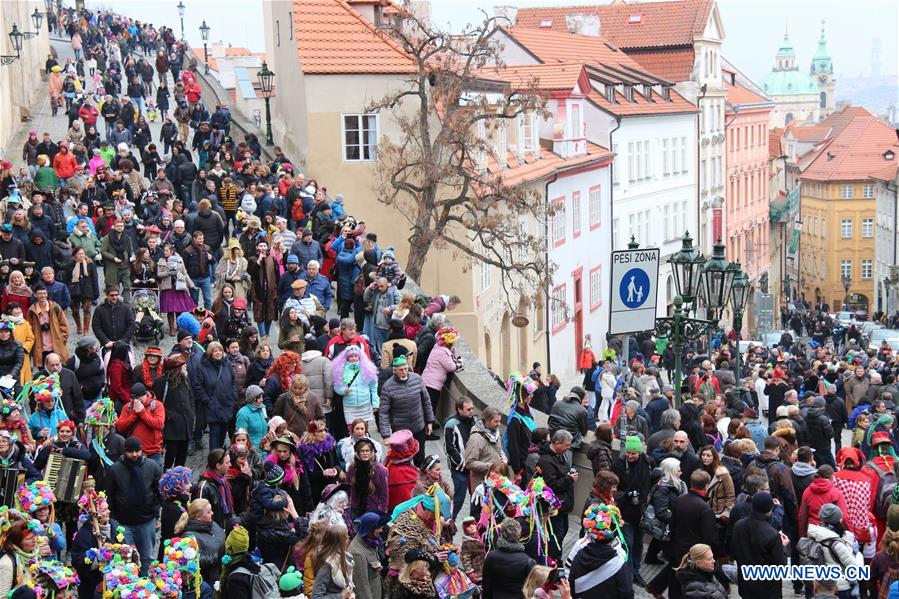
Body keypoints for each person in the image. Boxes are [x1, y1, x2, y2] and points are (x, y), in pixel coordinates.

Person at [104, 436, 163, 576]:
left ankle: (145, 583)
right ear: (125, 452)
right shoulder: (115, 469)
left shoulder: (152, 466)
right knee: (125, 558)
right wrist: (113, 518)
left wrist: (157, 515)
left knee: (147, 557)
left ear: (142, 450)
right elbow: (110, 494)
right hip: (123, 522)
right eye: (131, 452)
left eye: (137, 451)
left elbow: (159, 493)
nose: (135, 455)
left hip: (146, 520)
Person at [729, 492, 789, 599]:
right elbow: (782, 564)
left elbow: (733, 551)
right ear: (770, 509)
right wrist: (783, 545)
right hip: (767, 590)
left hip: (746, 586)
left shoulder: (739, 526)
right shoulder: (772, 535)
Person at [379, 355, 434, 467]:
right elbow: (383, 412)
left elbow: (426, 401)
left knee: (420, 456)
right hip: (400, 430)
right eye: (401, 370)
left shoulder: (417, 379)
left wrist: (429, 421)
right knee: (402, 459)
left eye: (406, 369)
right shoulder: (388, 386)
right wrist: (385, 435)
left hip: (419, 426)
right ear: (395, 371)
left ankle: (419, 479)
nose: (404, 372)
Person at [612, 436, 652, 585]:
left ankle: (635, 571)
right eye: (628, 452)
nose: (630, 456)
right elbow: (613, 488)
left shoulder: (648, 463)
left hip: (640, 512)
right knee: (627, 544)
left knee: (638, 544)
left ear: (640, 452)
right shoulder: (618, 465)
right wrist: (626, 496)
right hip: (625, 511)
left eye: (634, 453)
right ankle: (627, 573)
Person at [570, 504, 633, 599]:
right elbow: (627, 594)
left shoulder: (579, 556)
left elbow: (571, 584)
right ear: (613, 537)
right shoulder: (619, 563)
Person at [537, 429, 577, 562]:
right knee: (556, 536)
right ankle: (554, 562)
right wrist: (569, 479)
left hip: (563, 505)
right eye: (567, 445)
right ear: (558, 444)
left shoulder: (561, 455)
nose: (569, 447)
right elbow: (552, 485)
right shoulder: (546, 460)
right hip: (554, 507)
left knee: (563, 532)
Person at [806, 503, 860, 598]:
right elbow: (853, 567)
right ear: (835, 521)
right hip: (841, 587)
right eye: (840, 518)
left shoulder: (816, 536)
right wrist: (854, 552)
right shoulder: (836, 544)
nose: (842, 519)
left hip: (822, 586)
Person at [192, 342, 236, 450]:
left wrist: (233, 396)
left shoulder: (227, 364)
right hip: (213, 405)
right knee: (215, 433)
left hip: (226, 404)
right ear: (210, 353)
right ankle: (214, 458)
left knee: (223, 432)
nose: (218, 353)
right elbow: (197, 386)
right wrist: (207, 400)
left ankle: (220, 455)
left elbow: (233, 381)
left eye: (220, 350)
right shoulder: (203, 367)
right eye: (215, 351)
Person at [481, 518, 536, 599]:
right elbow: (530, 592)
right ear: (519, 535)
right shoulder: (528, 561)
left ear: (502, 533)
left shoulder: (491, 556)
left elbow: (486, 586)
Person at [176, 497, 226, 585]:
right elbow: (196, 561)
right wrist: (219, 555)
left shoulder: (212, 524)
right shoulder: (189, 536)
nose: (212, 513)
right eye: (208, 512)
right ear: (198, 517)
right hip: (208, 581)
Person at [115, 383, 165, 464]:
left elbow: (159, 424)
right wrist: (134, 415)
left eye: (138, 399)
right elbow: (120, 427)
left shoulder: (157, 405)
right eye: (133, 399)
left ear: (145, 395)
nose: (136, 402)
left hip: (153, 453)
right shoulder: (127, 407)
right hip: (134, 453)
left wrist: (142, 412)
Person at [333, 345, 380, 432]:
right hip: (349, 405)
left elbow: (374, 387)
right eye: (351, 356)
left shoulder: (367, 368)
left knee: (364, 429)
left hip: (365, 404)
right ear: (347, 358)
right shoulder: (340, 370)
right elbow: (337, 386)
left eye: (356, 356)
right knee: (352, 430)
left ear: (360, 357)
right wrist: (343, 391)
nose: (354, 358)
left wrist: (375, 403)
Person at [444, 398, 474, 519]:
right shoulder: (451, 425)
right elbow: (449, 449)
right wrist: (463, 463)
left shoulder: (473, 421)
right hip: (458, 468)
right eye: (468, 409)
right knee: (459, 497)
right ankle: (450, 520)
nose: (471, 411)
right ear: (459, 410)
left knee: (476, 495)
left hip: (472, 466)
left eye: (472, 408)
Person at [349, 511, 389, 599]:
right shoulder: (357, 553)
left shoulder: (370, 541)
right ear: (369, 529)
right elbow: (362, 588)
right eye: (378, 528)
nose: (381, 530)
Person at [421, 327, 461, 416]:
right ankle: (429, 425)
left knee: (429, 406)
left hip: (428, 380)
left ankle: (430, 423)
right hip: (432, 384)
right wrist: (460, 363)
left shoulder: (438, 348)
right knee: (431, 406)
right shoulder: (443, 352)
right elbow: (451, 367)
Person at [347, 437, 388, 517]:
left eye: (367, 451)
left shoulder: (380, 469)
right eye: (362, 451)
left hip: (372, 509)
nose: (365, 453)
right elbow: (347, 487)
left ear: (372, 452)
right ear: (357, 453)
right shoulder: (352, 467)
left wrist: (381, 512)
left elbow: (384, 494)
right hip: (355, 508)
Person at [275, 373, 325, 439]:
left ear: (305, 387)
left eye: (300, 388)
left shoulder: (313, 398)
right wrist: (282, 430)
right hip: (288, 436)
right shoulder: (283, 398)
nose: (297, 391)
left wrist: (316, 427)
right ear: (291, 385)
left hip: (308, 437)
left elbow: (320, 418)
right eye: (294, 388)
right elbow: (277, 417)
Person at [311, 524, 355, 599]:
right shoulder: (326, 565)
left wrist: (351, 594)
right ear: (340, 542)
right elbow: (316, 597)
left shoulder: (345, 557)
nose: (348, 539)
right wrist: (341, 596)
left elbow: (345, 587)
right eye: (346, 537)